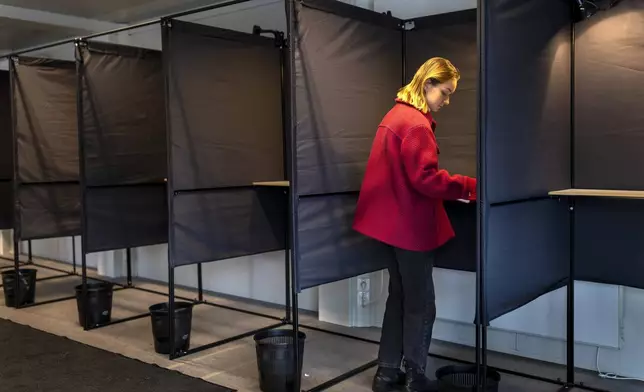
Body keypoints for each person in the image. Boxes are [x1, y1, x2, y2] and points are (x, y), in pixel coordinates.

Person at [353, 57, 477, 392]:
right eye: (445, 92)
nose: (446, 101)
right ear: (428, 84)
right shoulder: (417, 125)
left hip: (387, 228)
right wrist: (467, 186)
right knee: (421, 304)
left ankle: (386, 372)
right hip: (410, 228)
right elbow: (426, 180)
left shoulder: (393, 117)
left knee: (399, 297)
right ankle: (415, 377)